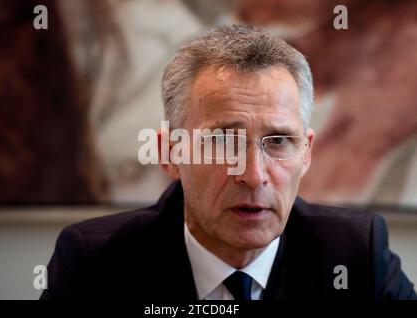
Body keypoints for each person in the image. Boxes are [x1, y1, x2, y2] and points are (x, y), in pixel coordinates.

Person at [40, 25, 416, 301]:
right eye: (223, 142)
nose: (253, 176)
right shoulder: (96, 263)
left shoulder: (355, 254)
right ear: (171, 153)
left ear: (306, 152)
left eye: (279, 141)